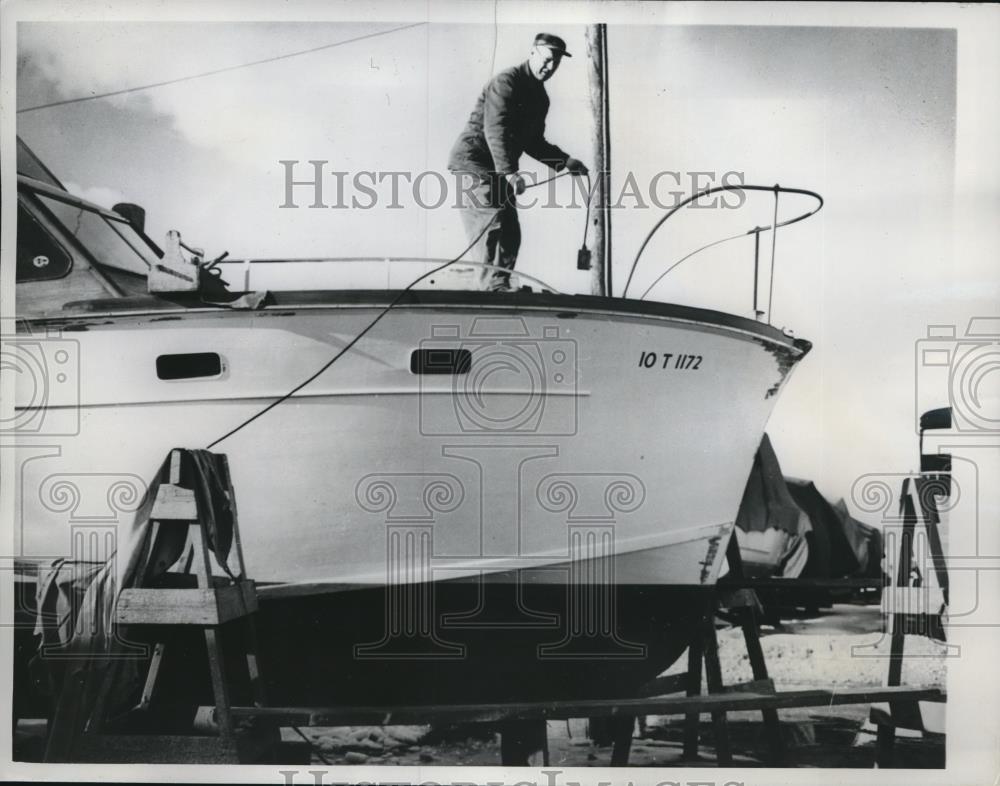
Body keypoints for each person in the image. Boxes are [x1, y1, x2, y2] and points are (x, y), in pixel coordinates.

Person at [448, 33, 589, 292]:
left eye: (555, 64)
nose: (549, 68)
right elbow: (495, 129)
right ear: (533, 52)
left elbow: (533, 141)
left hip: (500, 170)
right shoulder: (506, 82)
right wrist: (510, 173)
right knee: (493, 222)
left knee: (511, 231)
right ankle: (493, 288)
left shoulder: (540, 99)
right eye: (546, 60)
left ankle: (501, 286)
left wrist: (566, 161)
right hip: (475, 162)